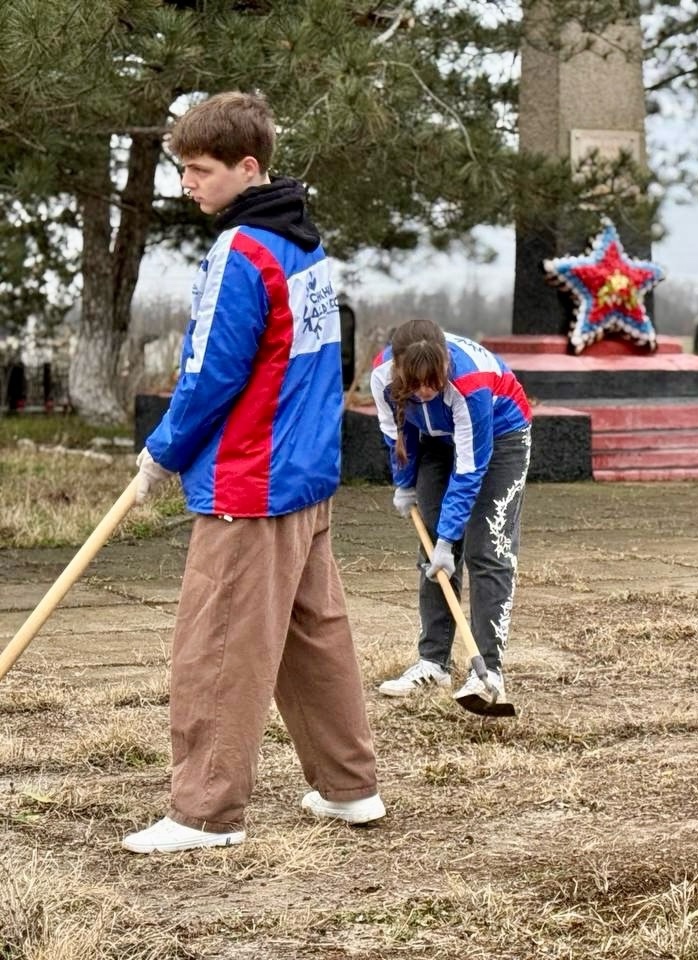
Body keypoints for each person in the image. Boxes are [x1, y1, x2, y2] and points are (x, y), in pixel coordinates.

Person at [124, 91, 383, 854]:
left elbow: (210, 373)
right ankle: (348, 787)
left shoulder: (244, 250)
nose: (188, 185)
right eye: (181, 170)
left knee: (217, 642)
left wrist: (161, 451)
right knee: (313, 637)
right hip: (303, 478)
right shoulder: (304, 245)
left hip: (251, 479)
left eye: (200, 170)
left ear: (248, 166)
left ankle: (203, 811)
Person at [371, 318, 532, 705]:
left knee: (485, 549)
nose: (425, 391)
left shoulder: (469, 383)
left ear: (445, 365)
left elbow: (471, 467)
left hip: (500, 434)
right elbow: (397, 432)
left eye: (433, 382)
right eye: (416, 385)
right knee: (433, 553)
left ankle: (488, 671)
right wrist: (404, 482)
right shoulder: (382, 375)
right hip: (436, 441)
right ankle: (433, 663)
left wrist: (449, 537)